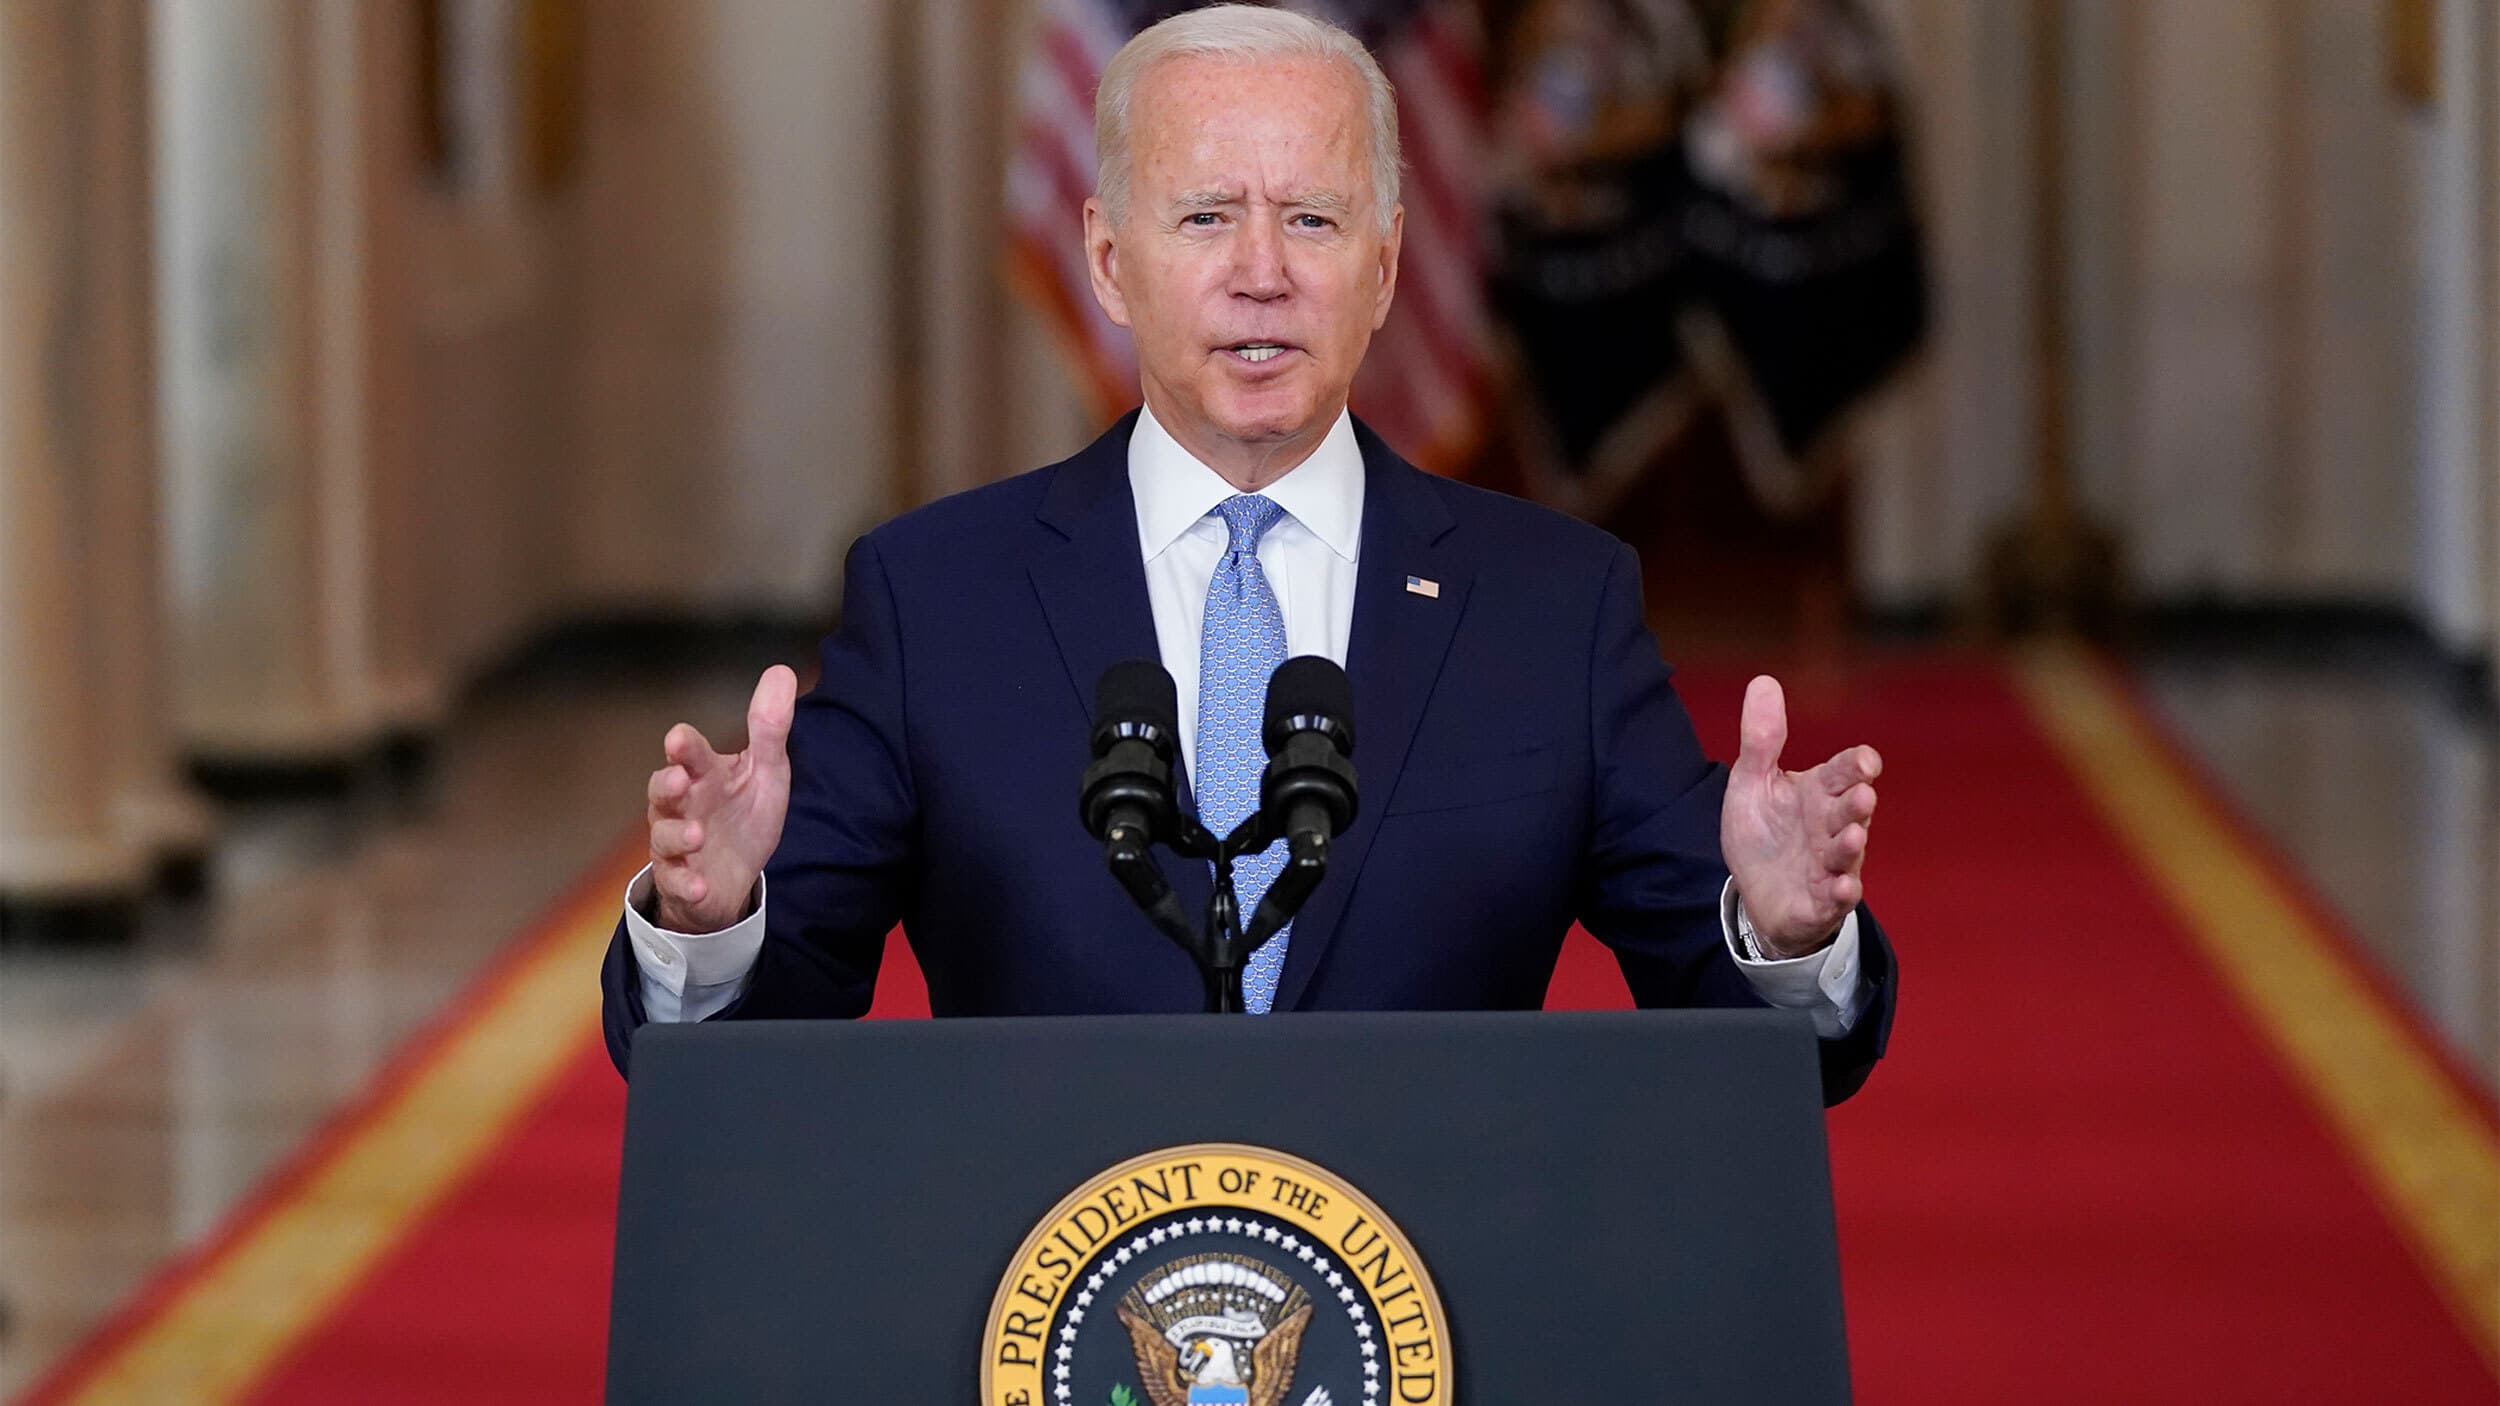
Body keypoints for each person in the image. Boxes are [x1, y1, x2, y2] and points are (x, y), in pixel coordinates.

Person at [601, 4, 1894, 1101]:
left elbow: (1742, 1018)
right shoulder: (937, 598)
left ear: (1390, 268)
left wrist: (1783, 932)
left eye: (1316, 223)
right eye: (1208, 217)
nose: (1261, 273)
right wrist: (710, 926)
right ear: (1109, 261)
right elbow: (766, 1025)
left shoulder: (1552, 605)